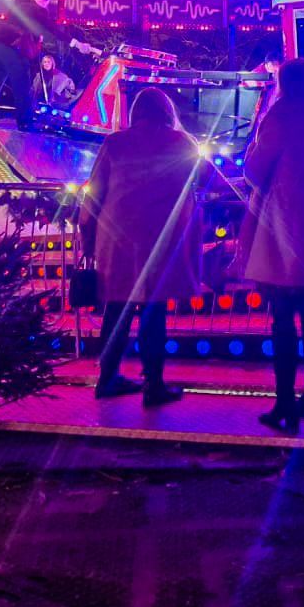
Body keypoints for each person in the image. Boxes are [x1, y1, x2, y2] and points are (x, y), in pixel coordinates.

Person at [79, 89, 204, 406]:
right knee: (153, 310)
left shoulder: (115, 143)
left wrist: (88, 240)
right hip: (158, 239)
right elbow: (207, 178)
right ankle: (154, 385)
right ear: (167, 111)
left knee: (116, 310)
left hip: (116, 239)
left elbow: (93, 195)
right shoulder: (180, 143)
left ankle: (107, 379)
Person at [239, 58, 304, 432]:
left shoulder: (280, 116)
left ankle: (284, 402)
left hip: (282, 218)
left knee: (282, 316)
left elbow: (254, 170)